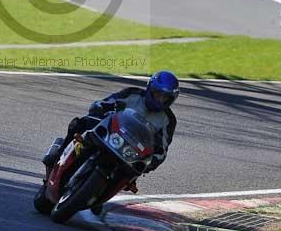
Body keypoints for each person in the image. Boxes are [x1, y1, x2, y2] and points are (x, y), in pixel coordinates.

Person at [42, 71, 180, 194]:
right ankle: (57, 156)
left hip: (132, 152)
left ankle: (101, 192)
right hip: (110, 134)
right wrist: (101, 110)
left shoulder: (169, 120)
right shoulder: (132, 94)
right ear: (150, 89)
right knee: (79, 123)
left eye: (165, 98)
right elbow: (102, 103)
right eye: (157, 94)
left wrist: (151, 162)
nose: (160, 100)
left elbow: (163, 149)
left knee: (132, 174)